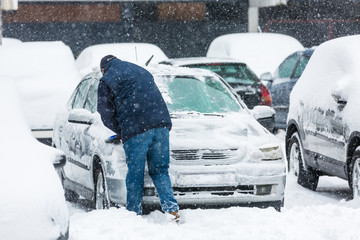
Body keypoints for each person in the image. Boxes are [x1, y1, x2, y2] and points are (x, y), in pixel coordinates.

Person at [97, 55, 180, 221]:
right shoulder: (142, 70)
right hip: (161, 125)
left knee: (135, 173)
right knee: (160, 171)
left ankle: (134, 214)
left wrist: (121, 130)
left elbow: (105, 113)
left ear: (103, 69)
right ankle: (172, 211)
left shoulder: (106, 80)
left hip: (136, 130)